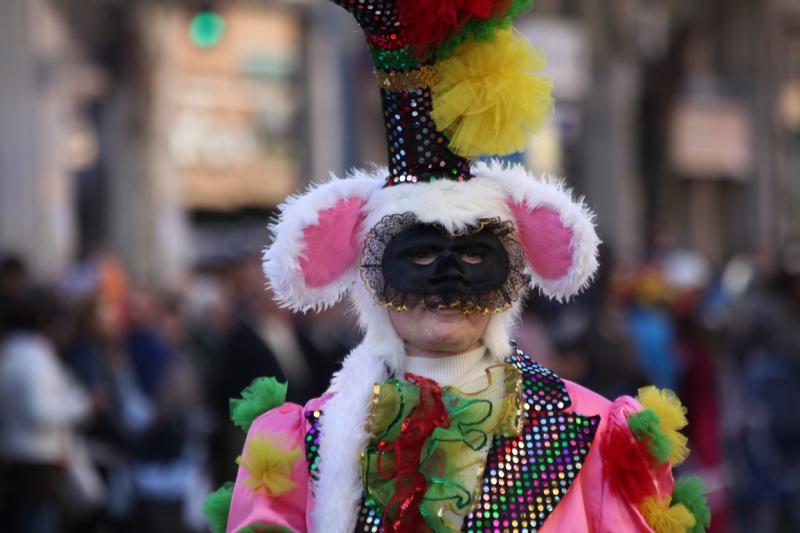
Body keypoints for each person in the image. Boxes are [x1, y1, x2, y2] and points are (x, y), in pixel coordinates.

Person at [204, 1, 711, 531]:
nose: (447, 281)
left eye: (474, 254)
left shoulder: (591, 436)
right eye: (419, 254)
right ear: (371, 274)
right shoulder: (304, 445)